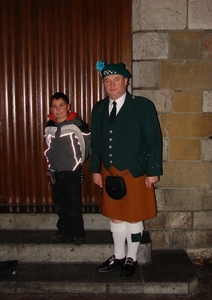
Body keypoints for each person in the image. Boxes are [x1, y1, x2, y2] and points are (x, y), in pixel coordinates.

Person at [90, 61, 163, 279]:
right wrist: (95, 169)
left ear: (126, 81)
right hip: (109, 171)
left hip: (136, 171)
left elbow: (154, 140)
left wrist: (153, 170)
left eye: (116, 80)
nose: (111, 85)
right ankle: (118, 256)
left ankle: (132, 257)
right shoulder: (99, 108)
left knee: (134, 217)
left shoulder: (142, 106)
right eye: (107, 81)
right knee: (115, 216)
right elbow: (96, 142)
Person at [44, 92, 91, 245]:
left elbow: (86, 145)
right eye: (54, 107)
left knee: (73, 204)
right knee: (59, 205)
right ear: (51, 108)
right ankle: (63, 231)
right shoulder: (49, 125)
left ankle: (78, 233)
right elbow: (49, 147)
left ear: (68, 107)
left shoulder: (78, 124)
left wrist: (78, 164)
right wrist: (50, 166)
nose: (58, 110)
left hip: (72, 171)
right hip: (56, 172)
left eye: (61, 106)